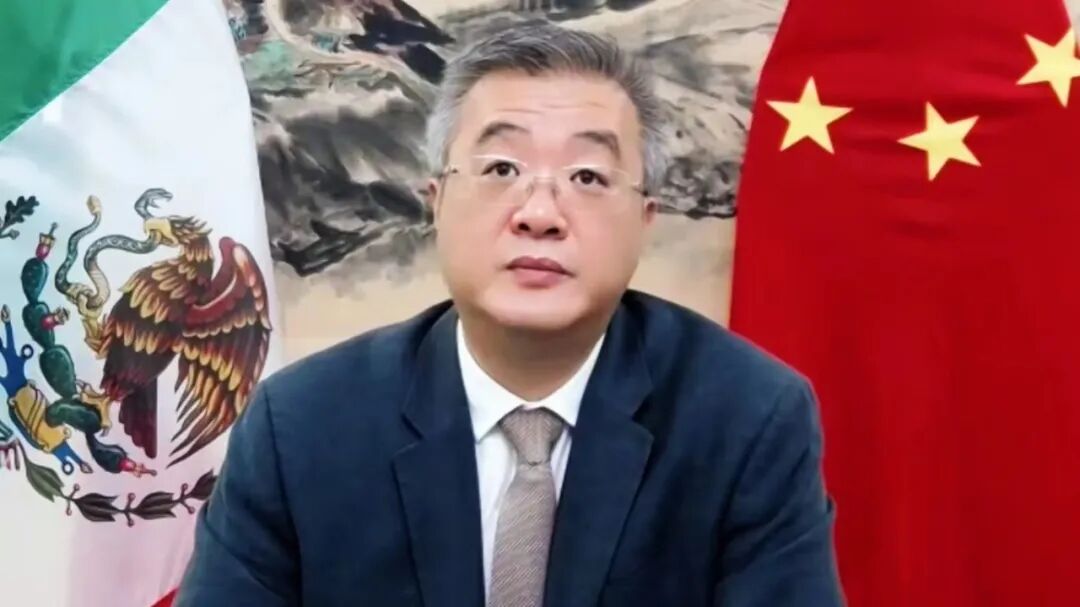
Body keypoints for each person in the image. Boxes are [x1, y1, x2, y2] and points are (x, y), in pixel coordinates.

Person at [175, 22, 844, 607]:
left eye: (587, 177)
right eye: (501, 168)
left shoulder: (747, 419)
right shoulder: (301, 426)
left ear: (644, 220)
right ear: (436, 201)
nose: (540, 213)